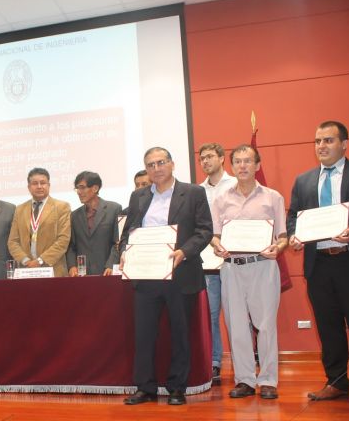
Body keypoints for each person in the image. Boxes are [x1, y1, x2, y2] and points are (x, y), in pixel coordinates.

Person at [287, 120, 349, 406]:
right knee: (328, 326)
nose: (322, 146)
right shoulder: (304, 180)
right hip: (319, 264)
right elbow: (294, 217)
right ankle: (336, 382)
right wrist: (295, 236)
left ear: (344, 144)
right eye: (318, 141)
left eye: (329, 141)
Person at [120, 148, 212, 406]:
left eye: (161, 162)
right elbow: (128, 233)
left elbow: (205, 231)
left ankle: (176, 387)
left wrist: (185, 251)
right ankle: (145, 387)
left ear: (172, 164)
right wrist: (125, 252)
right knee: (144, 334)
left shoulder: (193, 192)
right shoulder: (138, 196)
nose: (156, 168)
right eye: (150, 165)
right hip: (146, 276)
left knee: (180, 334)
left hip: (181, 274)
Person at [210, 145, 287, 400]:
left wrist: (279, 246)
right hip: (231, 268)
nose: (242, 166)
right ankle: (245, 380)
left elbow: (283, 236)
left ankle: (267, 380)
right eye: (238, 162)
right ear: (231, 166)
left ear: (257, 165)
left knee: (265, 326)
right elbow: (215, 235)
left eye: (247, 161)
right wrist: (217, 244)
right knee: (236, 326)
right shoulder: (221, 199)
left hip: (263, 266)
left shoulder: (273, 197)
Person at [198, 143, 237, 384]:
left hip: (235, 256)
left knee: (239, 315)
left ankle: (246, 363)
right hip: (208, 259)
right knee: (210, 314)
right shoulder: (196, 190)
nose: (205, 161)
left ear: (222, 158)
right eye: (202, 158)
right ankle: (214, 363)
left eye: (210, 157)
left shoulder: (235, 184)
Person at [7, 167, 71, 277]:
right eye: (35, 183)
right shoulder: (20, 209)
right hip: (25, 270)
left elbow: (63, 240)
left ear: (49, 185)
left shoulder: (62, 207)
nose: (39, 186)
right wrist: (26, 260)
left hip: (53, 270)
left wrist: (40, 261)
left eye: (43, 183)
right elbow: (13, 241)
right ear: (29, 187)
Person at [67, 171, 122, 276]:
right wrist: (72, 266)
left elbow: (117, 242)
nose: (79, 192)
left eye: (82, 187)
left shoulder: (114, 209)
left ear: (95, 188)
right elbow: (71, 246)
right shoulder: (74, 215)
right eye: (77, 188)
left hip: (107, 272)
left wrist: (111, 264)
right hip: (82, 274)